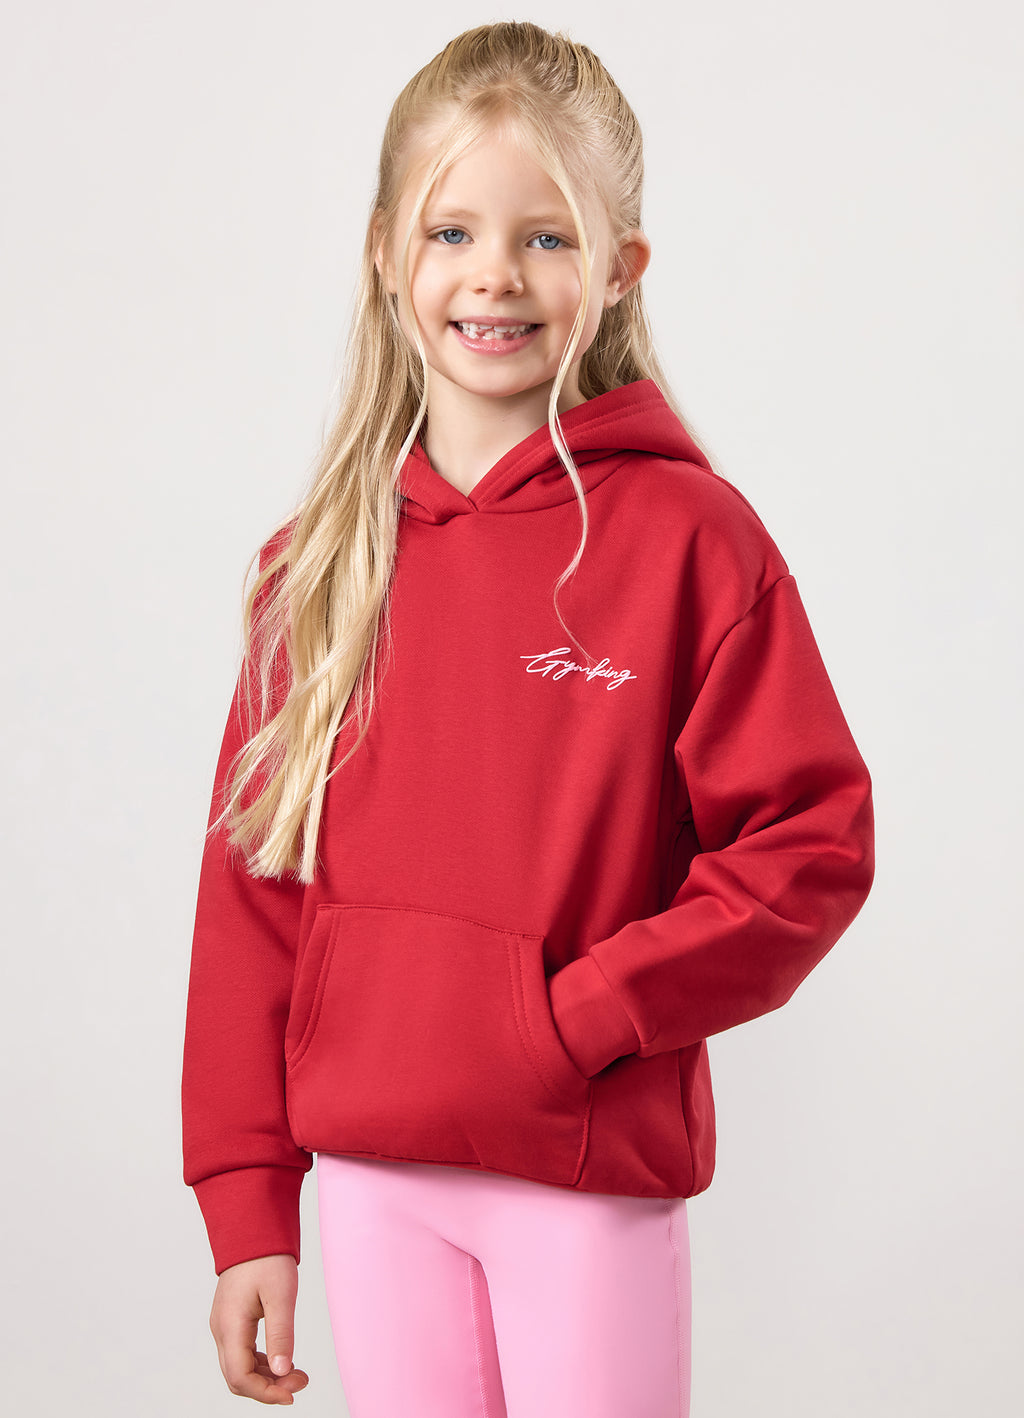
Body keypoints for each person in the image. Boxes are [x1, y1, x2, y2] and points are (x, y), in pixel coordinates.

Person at [181, 20, 875, 1417]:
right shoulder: (317, 565)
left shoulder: (691, 542)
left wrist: (584, 1015)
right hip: (372, 1174)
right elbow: (254, 897)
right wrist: (248, 1199)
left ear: (620, 269)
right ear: (385, 253)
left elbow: (810, 847)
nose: (494, 273)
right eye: (452, 231)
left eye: (546, 238)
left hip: (583, 1167)